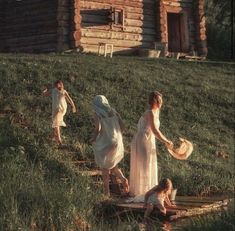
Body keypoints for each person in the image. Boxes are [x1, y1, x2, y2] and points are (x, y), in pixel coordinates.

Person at [129, 91, 173, 196]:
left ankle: (149, 191)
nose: (161, 102)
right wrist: (166, 141)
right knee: (144, 165)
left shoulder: (156, 112)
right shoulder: (150, 113)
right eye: (159, 100)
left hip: (149, 139)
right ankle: (143, 193)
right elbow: (155, 130)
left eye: (161, 100)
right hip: (143, 140)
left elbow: (155, 130)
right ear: (154, 101)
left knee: (149, 164)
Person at [90, 95, 129, 197]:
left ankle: (106, 192)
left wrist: (93, 139)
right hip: (117, 141)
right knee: (112, 164)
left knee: (105, 168)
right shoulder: (114, 111)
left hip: (106, 143)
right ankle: (123, 179)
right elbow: (123, 126)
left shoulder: (97, 114)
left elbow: (97, 128)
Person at [43, 80, 76, 145]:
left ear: (61, 85)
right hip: (55, 110)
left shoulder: (63, 92)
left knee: (56, 123)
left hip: (60, 109)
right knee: (55, 123)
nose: (56, 86)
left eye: (58, 85)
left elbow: (69, 99)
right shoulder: (53, 90)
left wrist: (73, 106)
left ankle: (59, 140)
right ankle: (54, 137)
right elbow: (45, 94)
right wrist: (44, 90)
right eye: (55, 85)